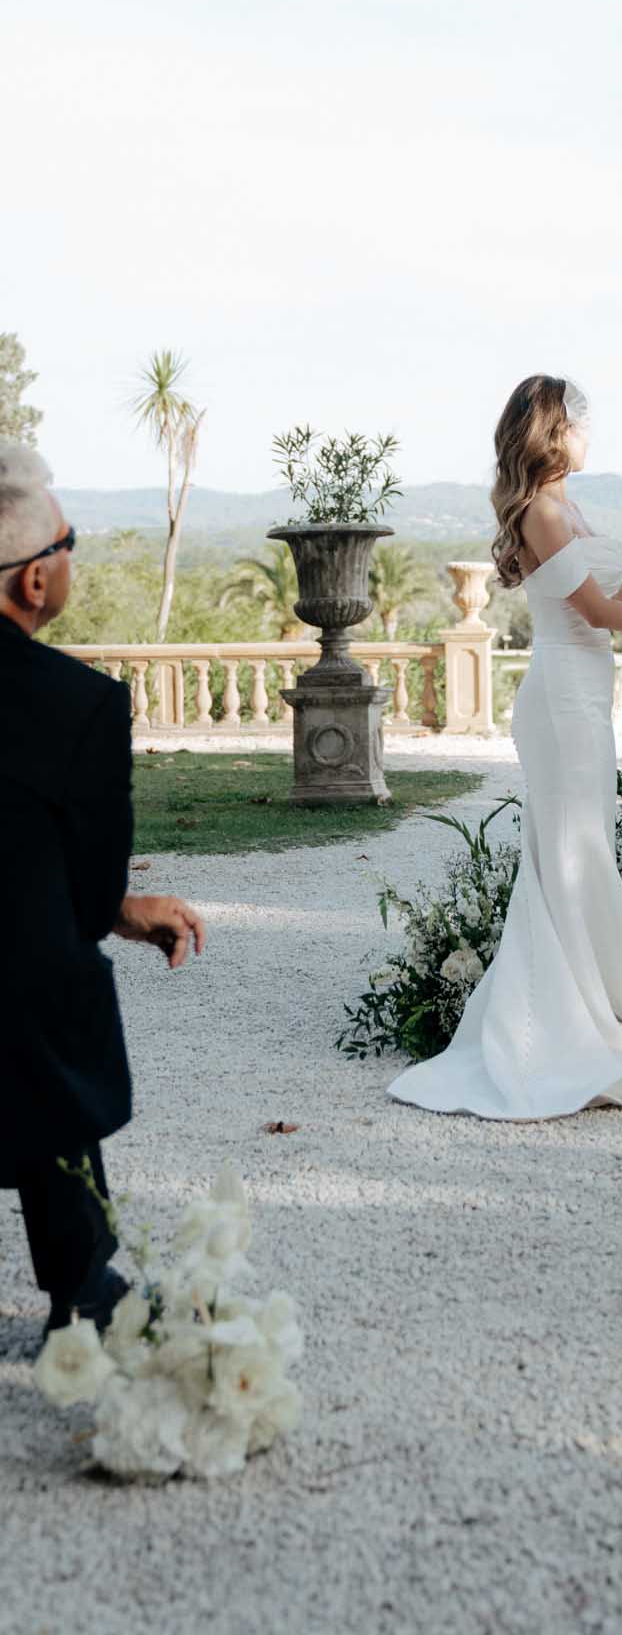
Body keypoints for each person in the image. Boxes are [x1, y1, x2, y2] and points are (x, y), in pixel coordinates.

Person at [388, 377, 622, 1122]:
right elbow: (602, 609)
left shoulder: (566, 505)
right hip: (559, 703)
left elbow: (616, 609)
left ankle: (593, 1011)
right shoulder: (543, 512)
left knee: (582, 853)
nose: (588, 433)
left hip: (583, 697)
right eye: (579, 422)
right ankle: (565, 1028)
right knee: (574, 859)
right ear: (553, 431)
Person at [0, 446, 205, 1336]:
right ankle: (80, 1285)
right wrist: (119, 911)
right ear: (36, 580)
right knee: (47, 978)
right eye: (72, 542)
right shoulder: (79, 705)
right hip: (18, 1019)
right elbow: (83, 904)